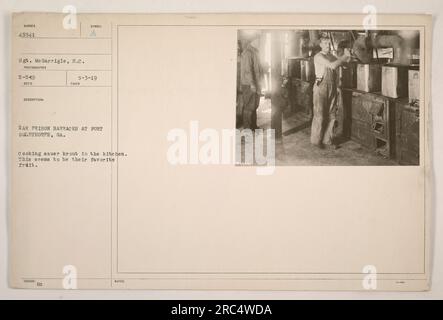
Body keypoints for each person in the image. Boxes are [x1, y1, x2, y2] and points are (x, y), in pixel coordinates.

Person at [310, 36, 351, 148]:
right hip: (321, 87)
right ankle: (316, 141)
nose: (327, 45)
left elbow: (343, 64)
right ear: (321, 45)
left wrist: (348, 56)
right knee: (320, 115)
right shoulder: (318, 56)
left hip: (332, 87)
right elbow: (333, 65)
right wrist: (343, 57)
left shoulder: (331, 56)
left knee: (332, 114)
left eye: (329, 43)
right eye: (325, 43)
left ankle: (327, 140)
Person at [240, 34, 262, 130]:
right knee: (249, 107)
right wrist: (252, 84)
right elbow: (248, 70)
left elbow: (256, 68)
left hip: (255, 83)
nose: (260, 43)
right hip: (249, 84)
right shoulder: (247, 52)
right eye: (259, 40)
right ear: (254, 40)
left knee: (254, 106)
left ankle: (253, 126)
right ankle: (247, 130)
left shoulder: (254, 51)